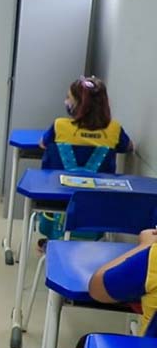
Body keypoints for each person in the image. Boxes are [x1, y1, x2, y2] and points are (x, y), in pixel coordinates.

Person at [37, 76, 133, 242]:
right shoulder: (114, 129)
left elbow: (43, 144)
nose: (65, 101)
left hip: (56, 201)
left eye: (69, 97)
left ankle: (51, 240)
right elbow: (129, 147)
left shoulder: (59, 125)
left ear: (77, 105)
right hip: (98, 206)